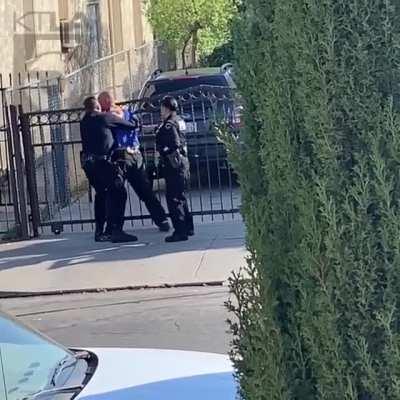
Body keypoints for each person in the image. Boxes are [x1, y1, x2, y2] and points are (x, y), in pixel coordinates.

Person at [97, 91, 170, 232]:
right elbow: (136, 124)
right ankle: (162, 220)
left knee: (116, 193)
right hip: (134, 153)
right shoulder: (126, 111)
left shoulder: (108, 115)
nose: (99, 106)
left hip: (119, 156)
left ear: (106, 100)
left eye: (100, 102)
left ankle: (113, 228)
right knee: (145, 190)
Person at [80, 96, 138, 243]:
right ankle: (115, 230)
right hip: (103, 163)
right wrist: (127, 115)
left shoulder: (84, 121)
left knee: (101, 194)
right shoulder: (105, 118)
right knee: (119, 192)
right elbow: (130, 125)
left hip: (89, 164)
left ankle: (100, 232)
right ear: (98, 107)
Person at [156, 96, 194, 242]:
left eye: (162, 108)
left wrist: (164, 152)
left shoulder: (169, 125)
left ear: (166, 108)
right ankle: (188, 227)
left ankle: (180, 231)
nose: (161, 111)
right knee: (181, 197)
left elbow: (174, 144)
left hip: (174, 165)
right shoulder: (179, 120)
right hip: (182, 163)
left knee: (174, 199)